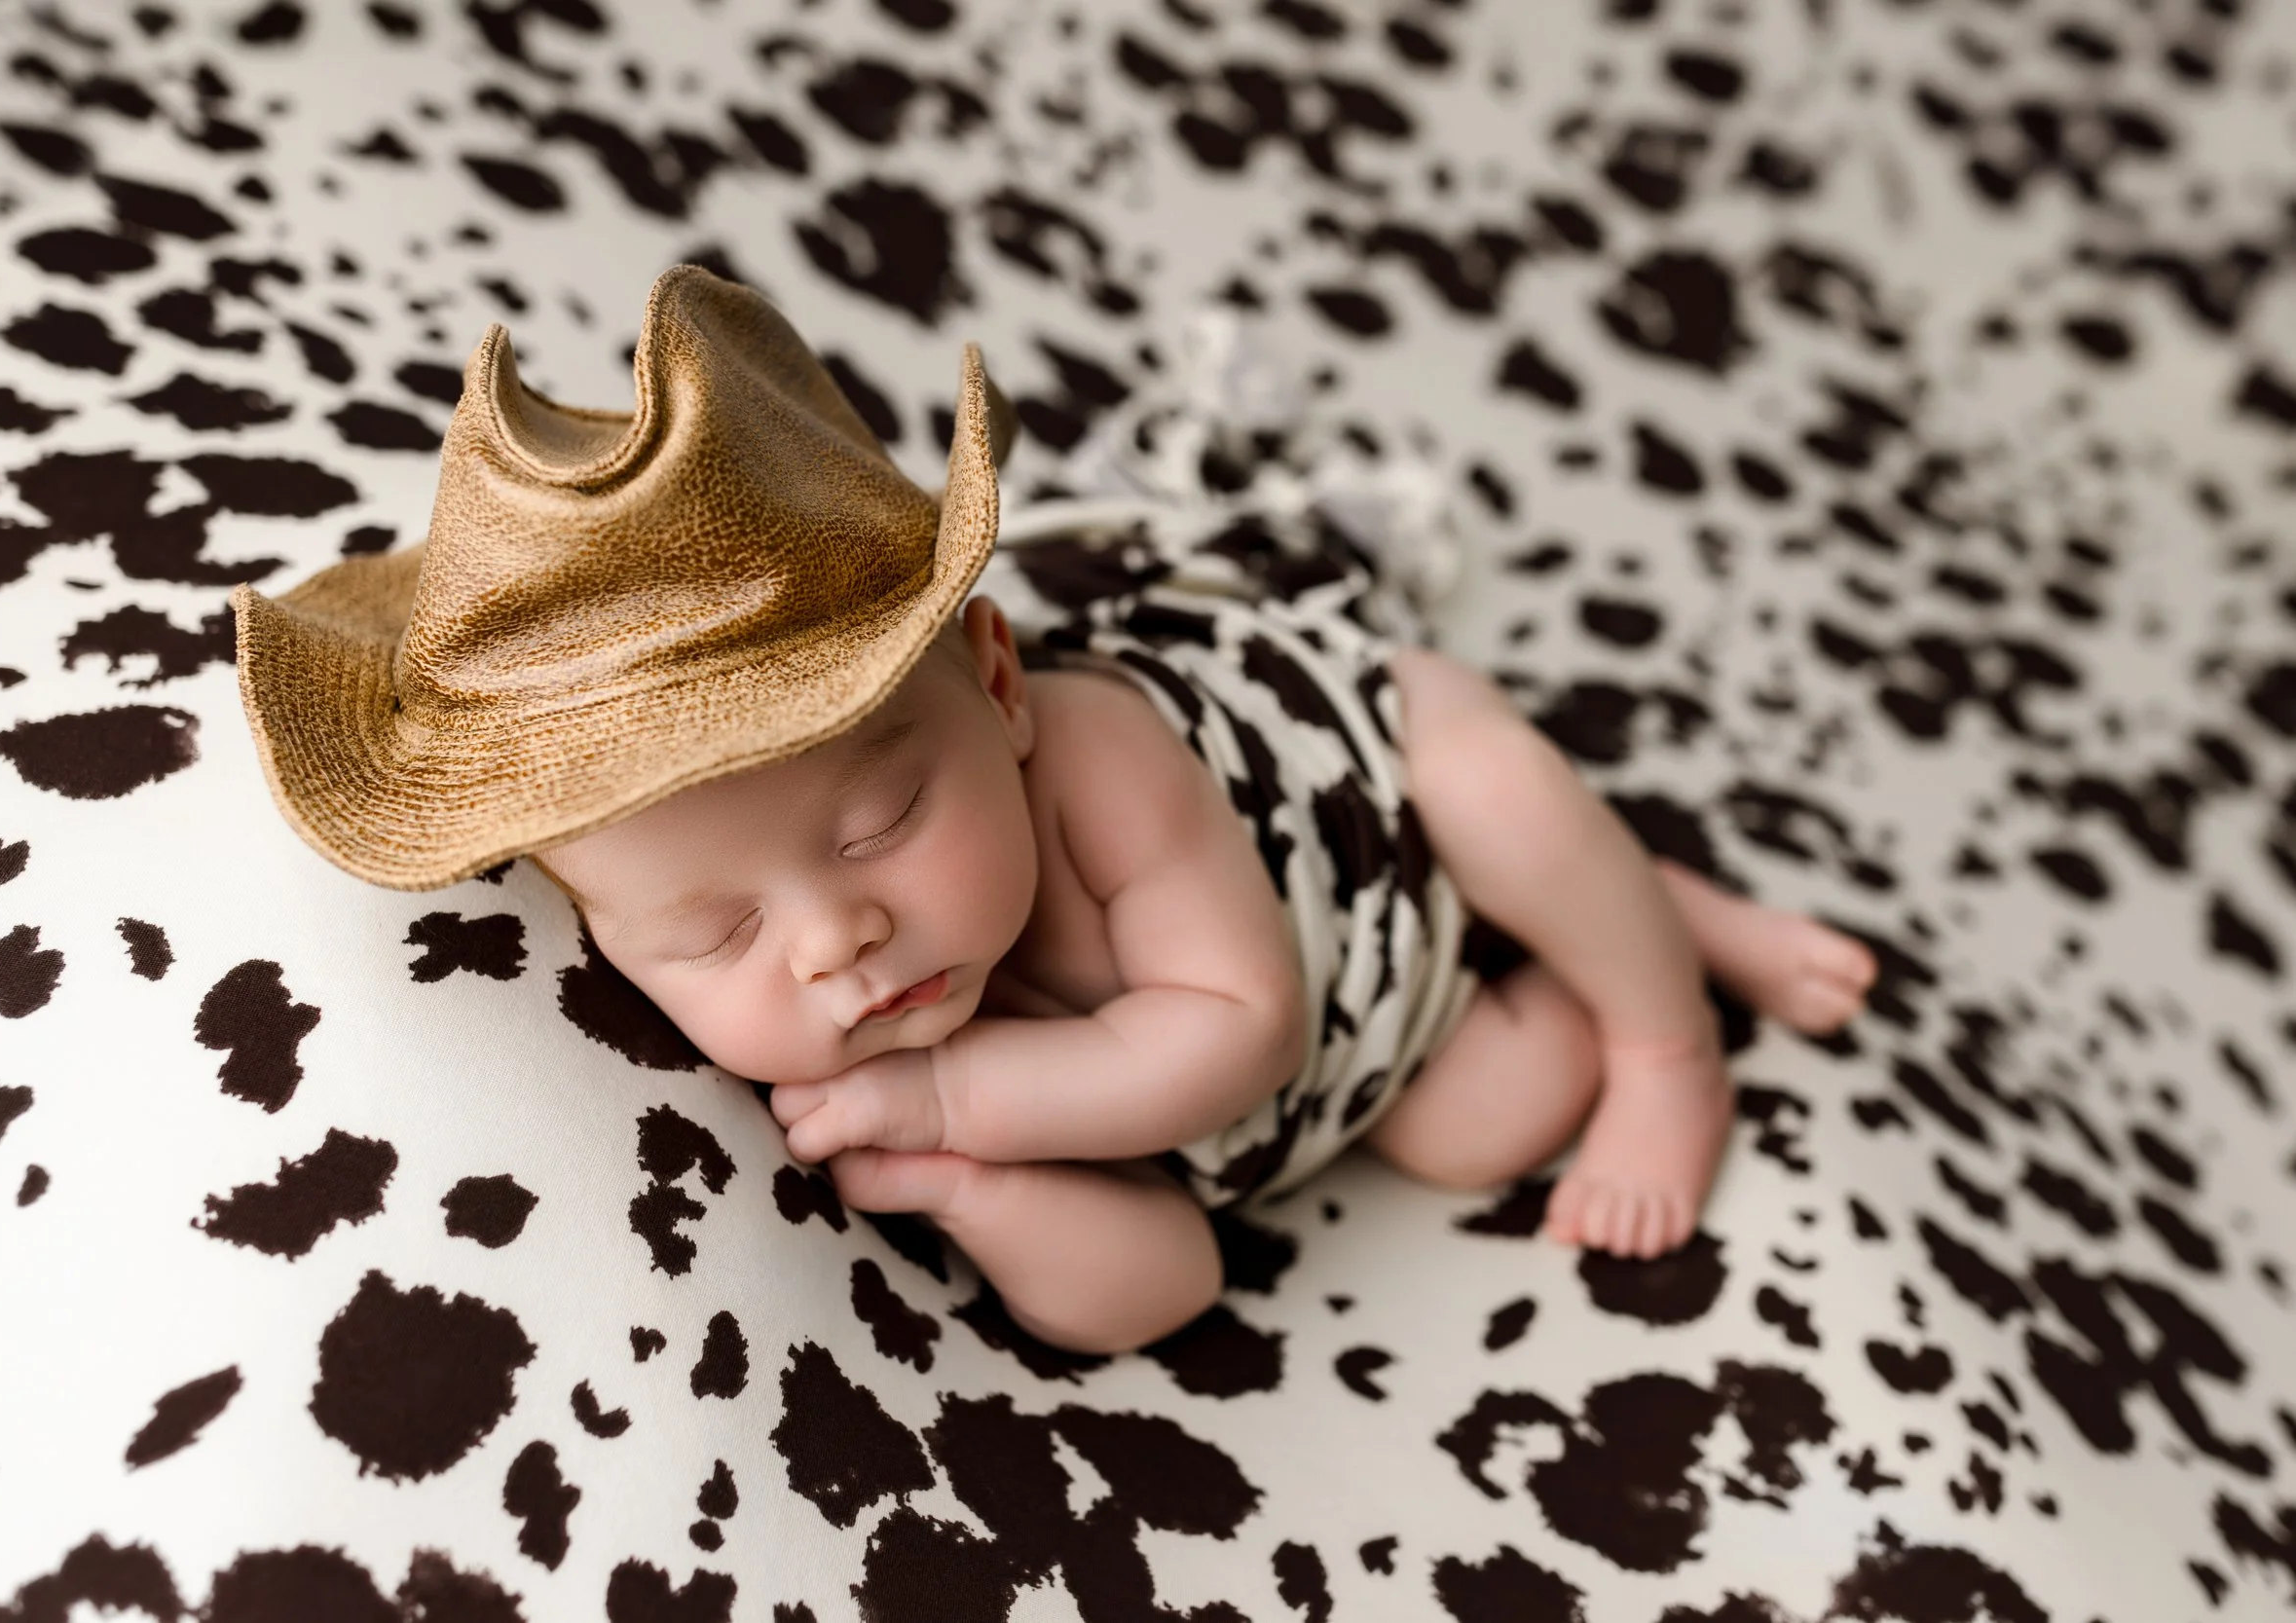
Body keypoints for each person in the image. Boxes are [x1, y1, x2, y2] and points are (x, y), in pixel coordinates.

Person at [234, 266, 1876, 1356]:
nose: (835, 938)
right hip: (1393, 1039)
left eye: (881, 823)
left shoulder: (1090, 760)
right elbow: (1169, 1284)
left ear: (997, 683)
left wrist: (956, 1094)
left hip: (1369, 810)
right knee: (1468, 1132)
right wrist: (968, 1185)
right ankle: (1643, 910)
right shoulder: (871, 1040)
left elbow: (1238, 1027)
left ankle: (1668, 1014)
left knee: (1500, 792)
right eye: (715, 931)